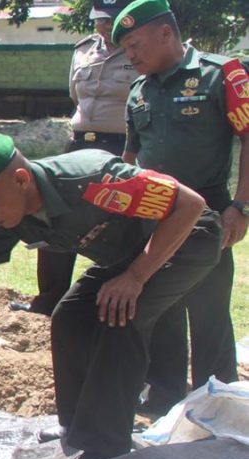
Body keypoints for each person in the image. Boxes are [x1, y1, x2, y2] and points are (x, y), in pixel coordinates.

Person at [0, 133, 221, 459]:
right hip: (129, 254)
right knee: (69, 317)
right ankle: (77, 426)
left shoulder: (94, 178)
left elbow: (189, 205)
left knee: (120, 316)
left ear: (21, 180)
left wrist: (136, 277)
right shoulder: (4, 219)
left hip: (187, 238)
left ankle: (106, 447)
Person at [113, 0, 248, 413]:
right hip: (153, 218)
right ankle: (164, 397)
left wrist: (241, 205)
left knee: (208, 314)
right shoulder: (139, 91)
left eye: (135, 44)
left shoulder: (221, 73)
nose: (130, 56)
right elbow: (129, 161)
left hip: (208, 215)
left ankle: (217, 405)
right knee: (161, 310)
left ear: (165, 33)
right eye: (126, 49)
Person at [12, 0, 140, 316]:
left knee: (113, 224)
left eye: (111, 21)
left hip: (119, 149)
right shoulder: (83, 50)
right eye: (100, 20)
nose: (105, 26)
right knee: (53, 216)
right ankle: (48, 299)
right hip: (79, 144)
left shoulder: (137, 52)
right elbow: (75, 95)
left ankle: (105, 300)